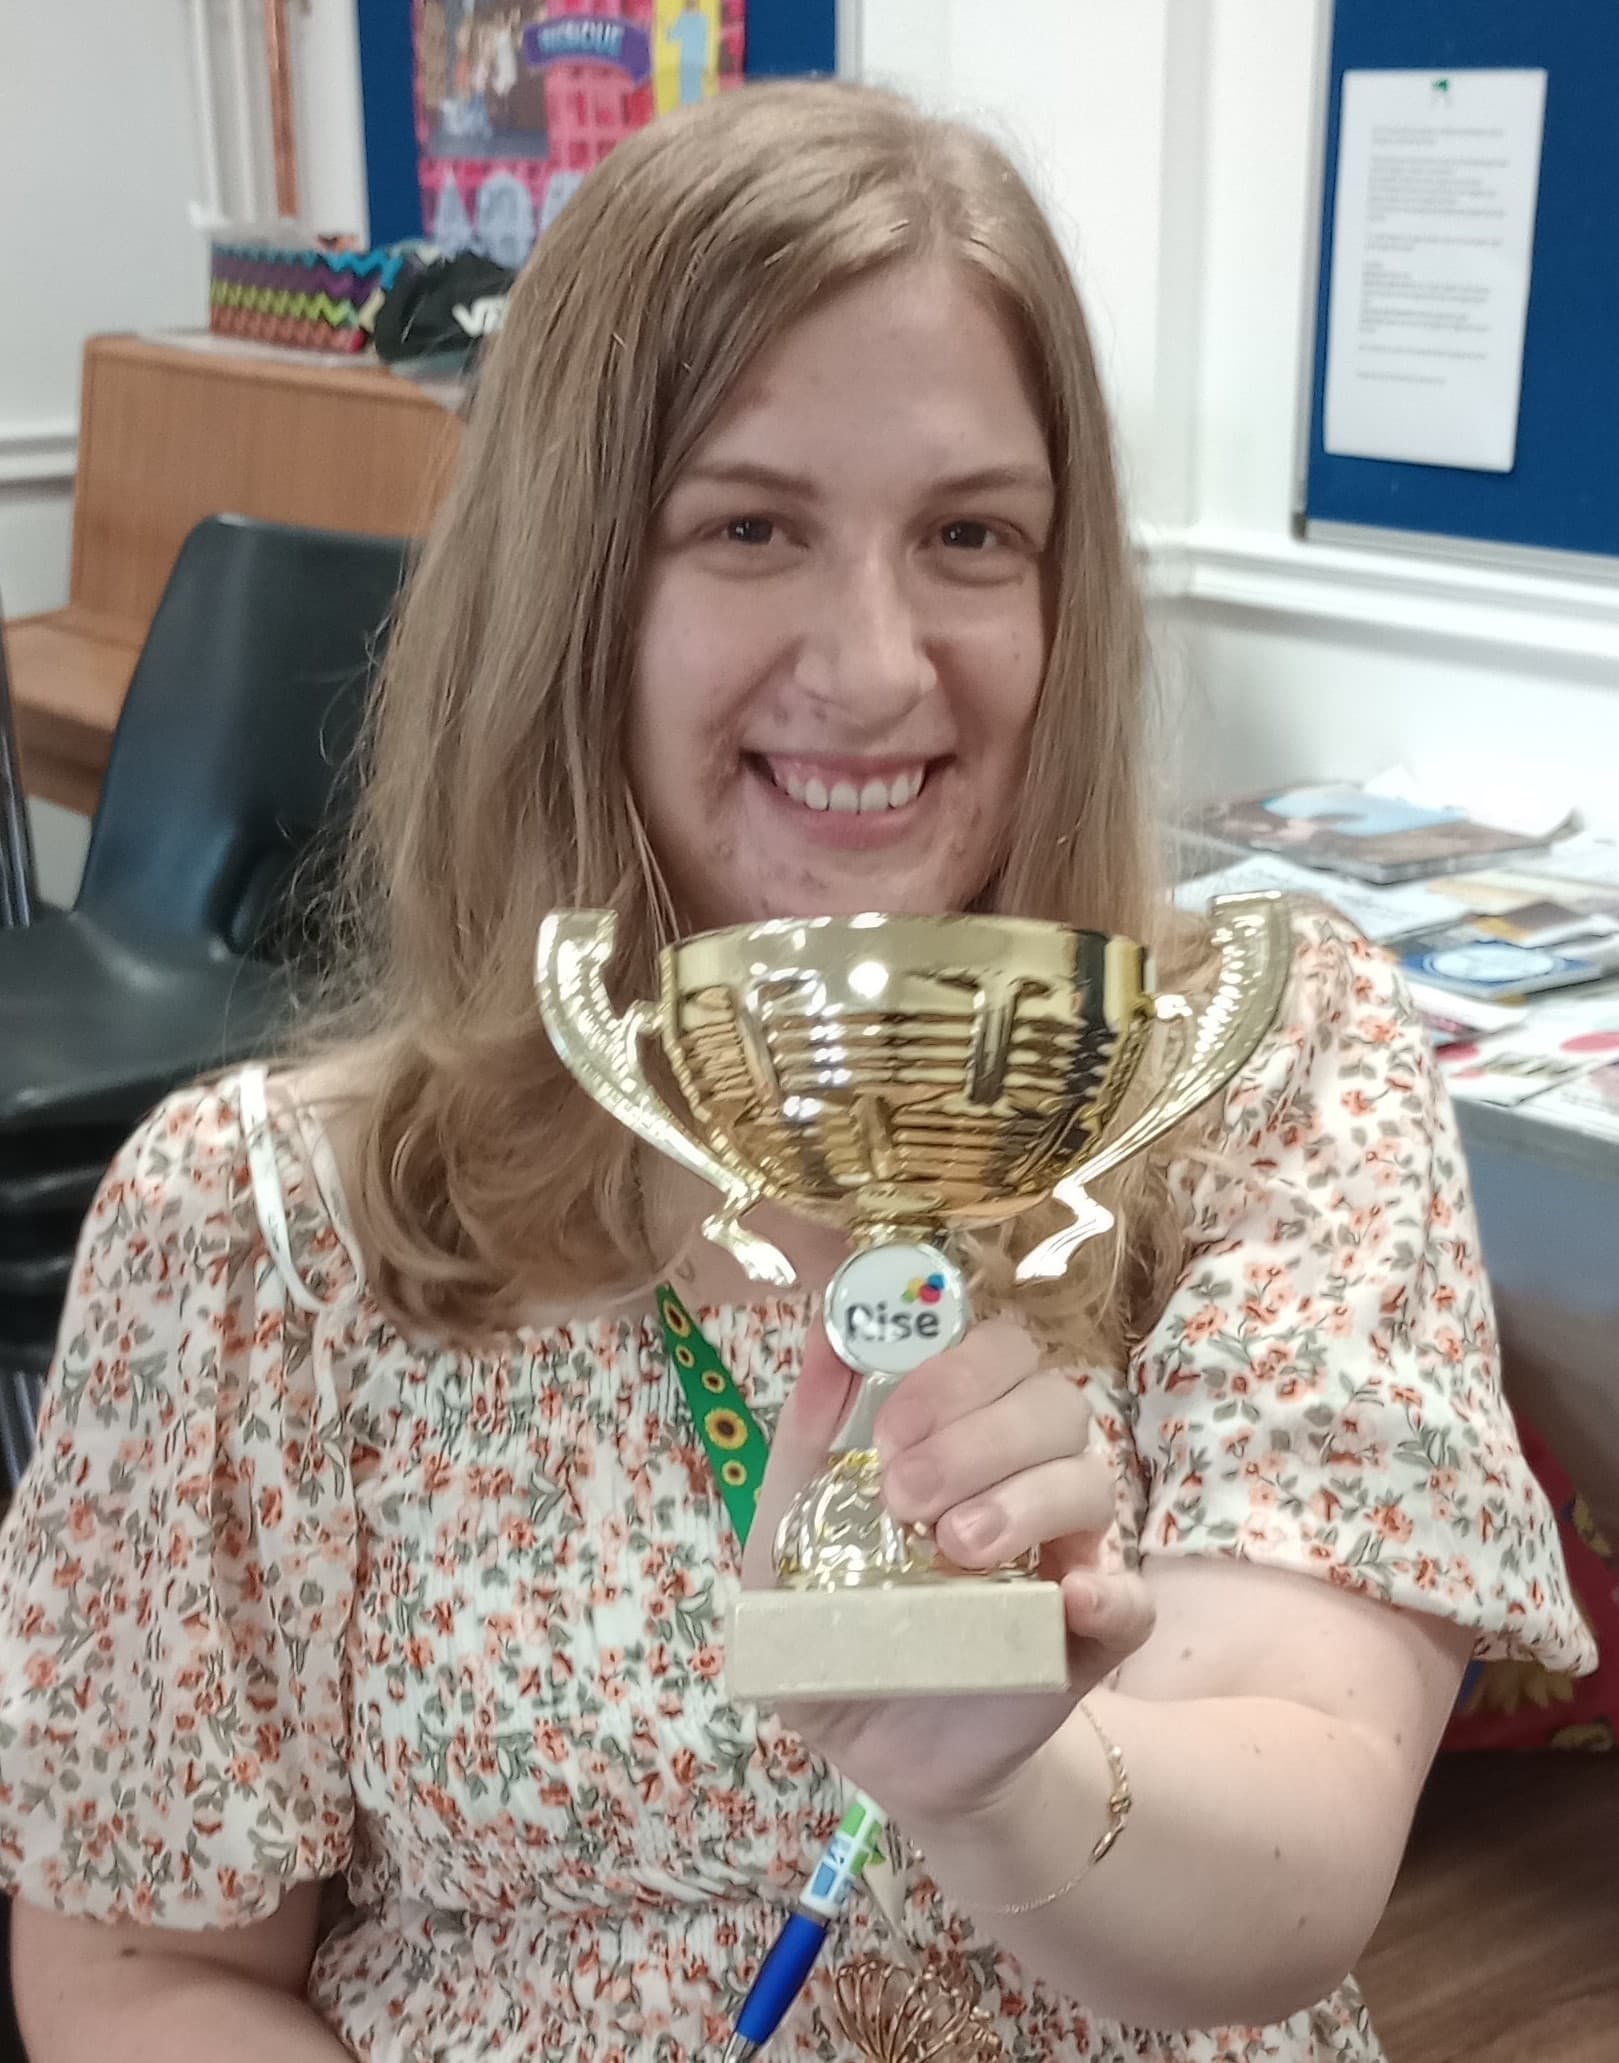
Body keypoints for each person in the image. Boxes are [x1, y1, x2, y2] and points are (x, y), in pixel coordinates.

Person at [0, 80, 1595, 2063]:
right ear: (575, 589)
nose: (874, 662)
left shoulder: (1266, 1076)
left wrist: (999, 1774)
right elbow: (141, 1973)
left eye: (971, 536)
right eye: (749, 525)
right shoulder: (261, 1229)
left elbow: (1306, 1846)